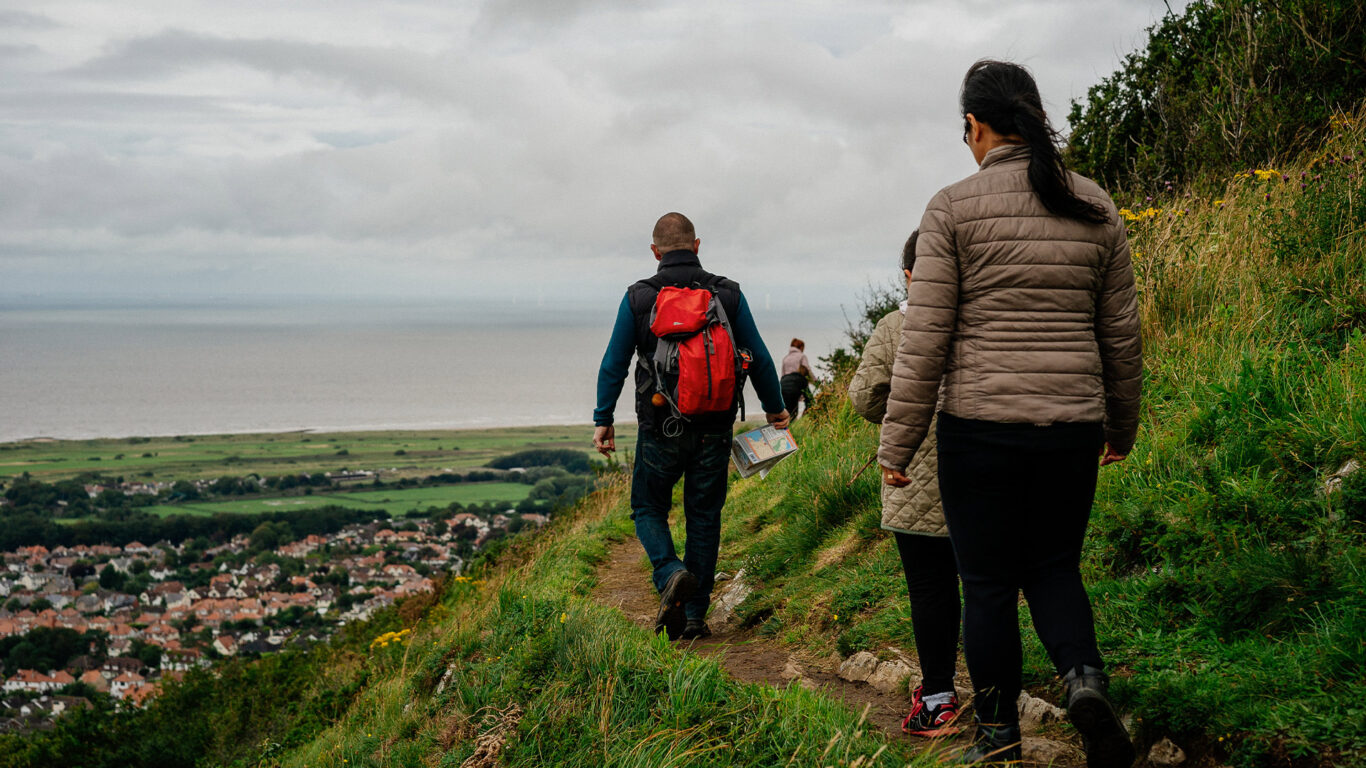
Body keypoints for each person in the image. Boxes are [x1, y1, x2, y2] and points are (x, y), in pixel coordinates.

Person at [878, 60, 1142, 768]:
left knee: (988, 585)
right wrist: (1121, 426)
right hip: (1072, 426)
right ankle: (1084, 682)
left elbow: (925, 339)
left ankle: (997, 735)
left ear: (975, 125)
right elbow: (1121, 333)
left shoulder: (951, 208)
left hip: (979, 431)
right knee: (1055, 569)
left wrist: (898, 446)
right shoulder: (1094, 204)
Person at [594, 212, 790, 641]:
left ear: (655, 252)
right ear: (697, 245)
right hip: (715, 426)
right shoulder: (727, 294)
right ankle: (696, 615)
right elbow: (758, 356)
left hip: (660, 426)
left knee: (648, 508)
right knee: (704, 516)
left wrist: (603, 419)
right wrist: (775, 409)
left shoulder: (639, 298)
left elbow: (614, 363)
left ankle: (669, 573)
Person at [849, 229, 963, 737]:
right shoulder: (987, 318)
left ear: (909, 274)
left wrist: (904, 418)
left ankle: (938, 697)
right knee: (987, 586)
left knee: (930, 588)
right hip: (987, 470)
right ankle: (998, 703)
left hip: (912, 475)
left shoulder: (895, 326)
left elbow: (864, 397)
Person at [780, 339, 811, 418]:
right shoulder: (802, 356)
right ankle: (804, 420)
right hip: (796, 384)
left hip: (783, 385)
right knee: (795, 411)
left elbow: (783, 375)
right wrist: (816, 382)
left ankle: (785, 425)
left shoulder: (786, 358)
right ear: (801, 347)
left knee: (786, 411)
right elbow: (807, 370)